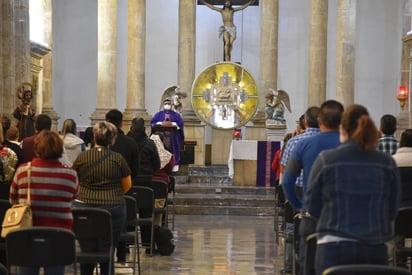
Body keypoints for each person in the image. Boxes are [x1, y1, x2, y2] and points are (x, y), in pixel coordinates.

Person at [305, 104, 401, 275]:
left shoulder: (326, 160)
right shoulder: (387, 163)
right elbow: (393, 210)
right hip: (375, 247)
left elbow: (312, 206)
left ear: (342, 129)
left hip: (333, 247)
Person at [282, 100, 344, 275]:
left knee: (308, 260)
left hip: (313, 212)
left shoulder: (301, 143)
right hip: (343, 214)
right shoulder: (351, 144)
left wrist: (298, 205)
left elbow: (287, 181)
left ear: (320, 121)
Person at [9, 130, 79, 275]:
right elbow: (73, 197)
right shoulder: (70, 174)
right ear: (60, 149)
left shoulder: (23, 171)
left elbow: (12, 199)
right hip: (59, 237)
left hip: (28, 233)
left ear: (37, 148)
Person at [72, 121, 132, 275]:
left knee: (87, 249)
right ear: (112, 139)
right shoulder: (118, 159)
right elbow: (127, 185)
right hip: (113, 208)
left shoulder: (82, 157)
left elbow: (74, 180)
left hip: (84, 207)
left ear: (94, 137)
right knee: (107, 248)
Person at [279, 106, 320, 275]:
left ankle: (290, 266)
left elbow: (283, 169)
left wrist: (295, 203)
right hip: (319, 193)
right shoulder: (332, 141)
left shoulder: (295, 142)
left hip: (297, 190)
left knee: (291, 229)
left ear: (304, 122)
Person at [151, 97, 184, 171]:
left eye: (169, 104)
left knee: (173, 150)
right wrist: (159, 123)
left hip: (173, 138)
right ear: (163, 105)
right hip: (161, 138)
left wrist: (173, 123)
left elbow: (180, 124)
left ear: (171, 105)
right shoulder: (158, 114)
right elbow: (152, 123)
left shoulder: (176, 115)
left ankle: (174, 166)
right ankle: (161, 166)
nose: (167, 105)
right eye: (166, 104)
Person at [105, 109, 139, 180]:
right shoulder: (131, 142)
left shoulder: (98, 142)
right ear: (121, 123)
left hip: (100, 187)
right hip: (123, 186)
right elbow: (135, 169)